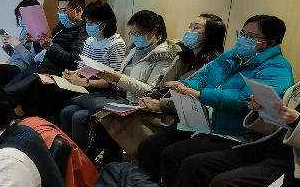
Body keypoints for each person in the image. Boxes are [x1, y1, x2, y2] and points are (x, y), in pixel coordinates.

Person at [148, 14, 294, 187]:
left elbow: (243, 101)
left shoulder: (277, 68)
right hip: (211, 126)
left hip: (242, 135)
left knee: (186, 161)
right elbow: (202, 77)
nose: (244, 39)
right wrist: (185, 85)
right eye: (243, 33)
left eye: (252, 36)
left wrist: (200, 94)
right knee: (164, 151)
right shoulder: (233, 55)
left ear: (270, 42)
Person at [93, 13, 227, 171]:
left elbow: (195, 98)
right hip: (158, 105)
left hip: (178, 115)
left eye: (196, 28)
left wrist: (159, 104)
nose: (189, 31)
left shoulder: (215, 65)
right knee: (107, 119)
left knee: (117, 124)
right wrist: (150, 98)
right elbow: (162, 86)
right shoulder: (183, 56)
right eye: (190, 26)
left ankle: (104, 169)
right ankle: (104, 170)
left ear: (209, 35)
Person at [58, 9, 175, 154]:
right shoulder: (133, 49)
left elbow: (151, 91)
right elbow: (117, 76)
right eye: (132, 33)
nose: (134, 37)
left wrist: (118, 79)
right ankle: (67, 154)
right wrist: (97, 73)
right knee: (67, 111)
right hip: (118, 95)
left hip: (137, 102)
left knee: (80, 117)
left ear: (153, 32)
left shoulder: (163, 57)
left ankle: (80, 159)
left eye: (138, 33)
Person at [18, 0, 126, 126]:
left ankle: (37, 124)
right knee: (41, 82)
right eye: (87, 22)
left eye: (91, 22)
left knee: (48, 90)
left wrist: (84, 82)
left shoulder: (116, 44)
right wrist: (71, 74)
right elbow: (82, 66)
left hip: (98, 89)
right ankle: (32, 123)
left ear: (104, 23)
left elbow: (113, 81)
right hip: (83, 84)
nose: (87, 26)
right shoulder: (90, 40)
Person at [3, 0, 89, 97]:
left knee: (9, 93)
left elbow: (73, 60)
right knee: (4, 90)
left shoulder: (82, 32)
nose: (60, 14)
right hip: (38, 66)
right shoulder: (61, 27)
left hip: (51, 73)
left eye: (63, 10)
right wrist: (38, 42)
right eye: (58, 10)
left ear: (78, 10)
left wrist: (50, 46)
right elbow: (46, 50)